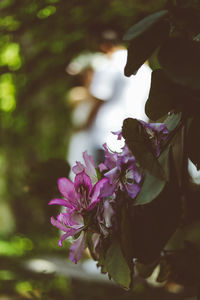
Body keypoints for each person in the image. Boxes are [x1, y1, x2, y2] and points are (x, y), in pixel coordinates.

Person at [89, 30, 152, 161]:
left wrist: (87, 122)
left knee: (106, 175)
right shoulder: (143, 67)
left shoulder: (108, 65)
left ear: (104, 46)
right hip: (138, 128)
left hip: (108, 129)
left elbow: (99, 98)